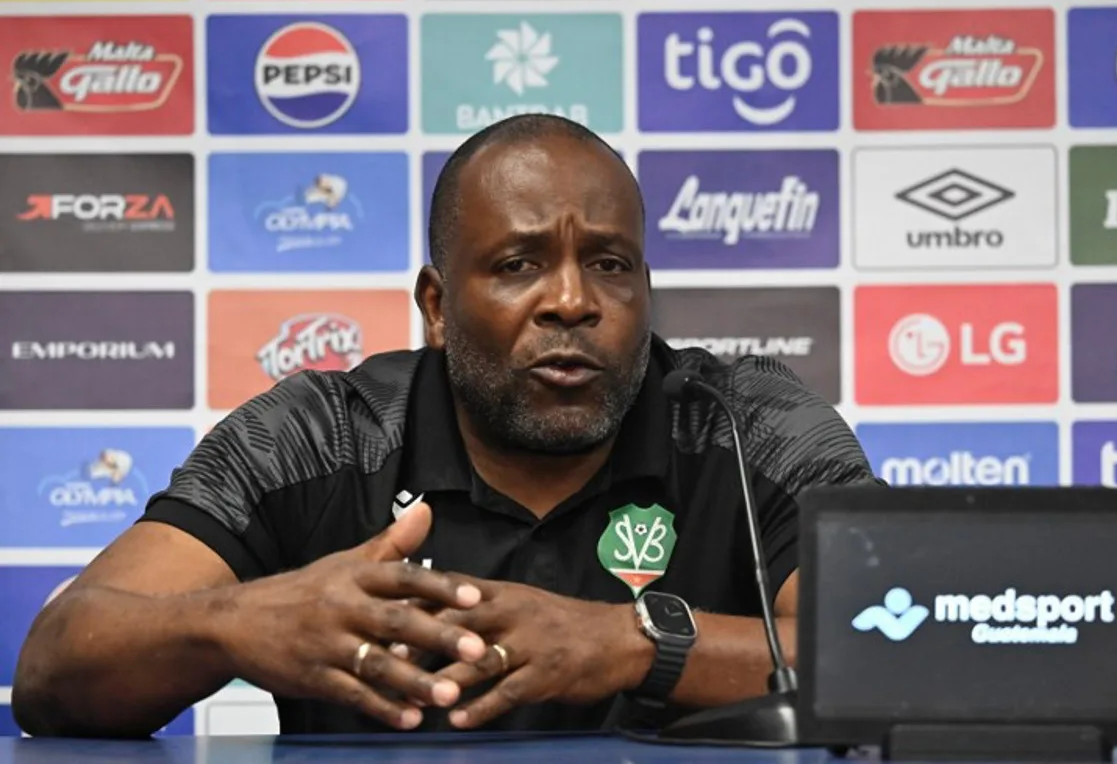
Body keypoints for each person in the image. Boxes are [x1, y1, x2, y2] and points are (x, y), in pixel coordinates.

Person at [12, 114, 883, 739]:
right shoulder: (317, 436)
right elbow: (53, 671)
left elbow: (902, 651)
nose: (572, 301)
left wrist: (628, 643)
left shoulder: (749, 424)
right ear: (436, 306)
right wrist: (240, 624)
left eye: (609, 264)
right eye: (518, 264)